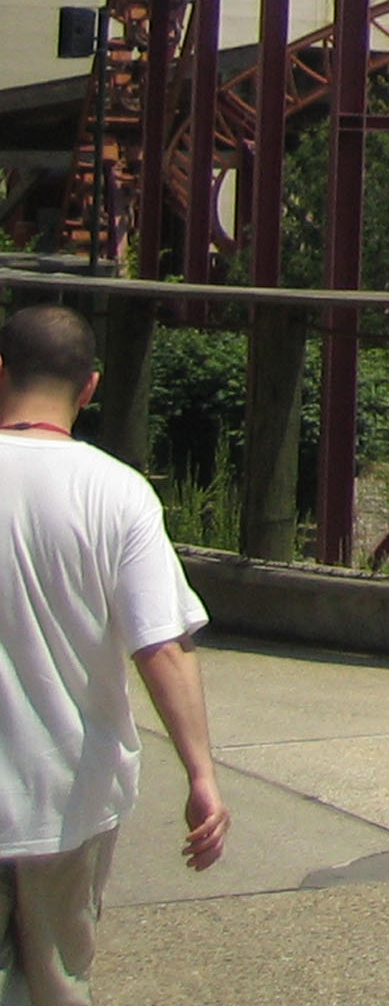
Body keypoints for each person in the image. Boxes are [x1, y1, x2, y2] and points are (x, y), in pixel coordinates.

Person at [0, 302, 224, 1006]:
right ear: (90, 387)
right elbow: (162, 646)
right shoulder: (119, 495)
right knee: (59, 984)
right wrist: (201, 775)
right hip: (68, 798)